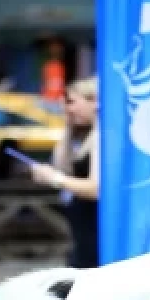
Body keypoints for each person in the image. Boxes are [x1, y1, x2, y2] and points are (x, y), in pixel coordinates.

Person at [30, 76, 100, 268]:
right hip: (83, 228)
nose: (67, 108)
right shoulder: (86, 136)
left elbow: (96, 188)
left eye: (71, 102)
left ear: (94, 101)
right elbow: (64, 168)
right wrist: (68, 124)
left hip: (96, 227)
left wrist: (55, 178)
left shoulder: (101, 137)